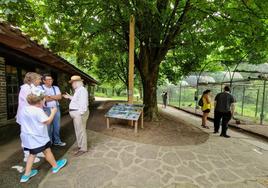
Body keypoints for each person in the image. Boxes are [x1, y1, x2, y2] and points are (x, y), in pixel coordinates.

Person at [19, 89, 67, 183]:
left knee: (32, 154)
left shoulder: (24, 109)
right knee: (47, 151)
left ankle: (26, 175)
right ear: (40, 101)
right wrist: (53, 112)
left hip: (28, 137)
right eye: (43, 100)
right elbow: (47, 121)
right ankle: (55, 166)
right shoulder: (38, 111)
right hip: (38, 137)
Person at [16, 72, 44, 163]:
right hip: (27, 116)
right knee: (27, 135)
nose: (40, 81)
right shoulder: (25, 88)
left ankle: (37, 151)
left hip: (32, 114)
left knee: (35, 133)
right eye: (39, 79)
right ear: (33, 79)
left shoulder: (34, 88)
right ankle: (27, 155)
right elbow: (30, 101)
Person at [63, 75, 89, 157]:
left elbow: (83, 104)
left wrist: (80, 114)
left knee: (81, 131)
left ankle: (83, 148)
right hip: (77, 114)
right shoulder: (78, 90)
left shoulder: (82, 90)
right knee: (78, 130)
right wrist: (69, 97)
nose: (72, 84)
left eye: (73, 83)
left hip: (79, 114)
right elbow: (77, 100)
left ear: (77, 83)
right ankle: (80, 146)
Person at [39, 74, 66, 146]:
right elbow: (44, 99)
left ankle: (57, 141)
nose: (50, 81)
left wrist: (49, 96)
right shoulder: (40, 87)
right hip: (46, 109)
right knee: (48, 127)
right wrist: (53, 97)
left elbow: (60, 97)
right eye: (48, 79)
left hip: (56, 107)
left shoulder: (55, 87)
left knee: (57, 126)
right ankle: (49, 142)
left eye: (51, 79)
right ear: (44, 81)